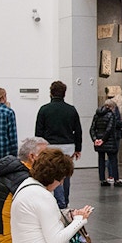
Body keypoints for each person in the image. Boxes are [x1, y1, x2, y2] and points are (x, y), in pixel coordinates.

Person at [0, 136, 48, 243]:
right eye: (45, 155)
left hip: (3, 241)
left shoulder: (16, 173)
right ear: (32, 156)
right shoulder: (24, 179)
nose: (49, 159)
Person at [35, 80, 82, 208]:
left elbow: (38, 132)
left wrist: (38, 149)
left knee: (50, 173)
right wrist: (78, 148)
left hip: (49, 146)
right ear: (64, 93)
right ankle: (64, 201)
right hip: (68, 146)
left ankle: (54, 201)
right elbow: (78, 130)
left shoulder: (44, 110)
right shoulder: (71, 110)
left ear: (51, 93)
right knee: (65, 175)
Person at [90, 100, 122, 187]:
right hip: (109, 141)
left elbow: (92, 129)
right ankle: (116, 179)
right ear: (111, 107)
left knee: (101, 160)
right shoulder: (111, 115)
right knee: (113, 160)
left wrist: (95, 139)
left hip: (99, 142)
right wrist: (103, 139)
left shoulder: (97, 115)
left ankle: (102, 179)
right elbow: (109, 129)